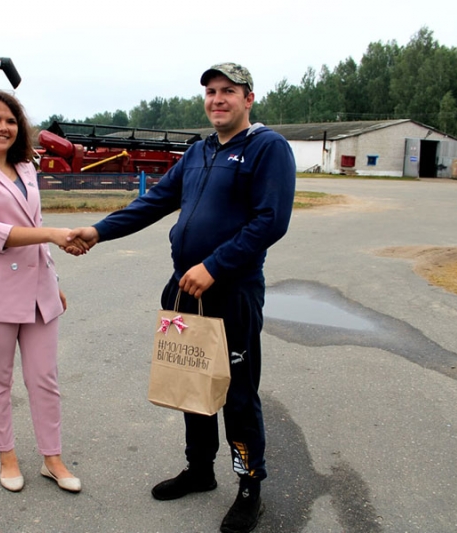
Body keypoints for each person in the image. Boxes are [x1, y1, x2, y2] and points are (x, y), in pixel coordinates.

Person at [66, 63, 295, 532]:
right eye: (210, 92)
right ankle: (199, 470)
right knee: (191, 379)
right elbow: (153, 202)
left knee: (236, 392)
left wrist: (215, 266)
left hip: (232, 290)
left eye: (228, 91)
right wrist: (97, 231)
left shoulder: (267, 148)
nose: (217, 99)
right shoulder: (197, 152)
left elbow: (271, 220)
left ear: (248, 98)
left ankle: (249, 487)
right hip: (184, 288)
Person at [0, 90, 87, 494]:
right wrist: (53, 234)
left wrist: (54, 280)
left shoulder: (27, 167)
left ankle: (52, 458)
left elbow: (36, 225)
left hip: (39, 289)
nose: (3, 127)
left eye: (10, 121)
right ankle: (6, 456)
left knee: (44, 378)